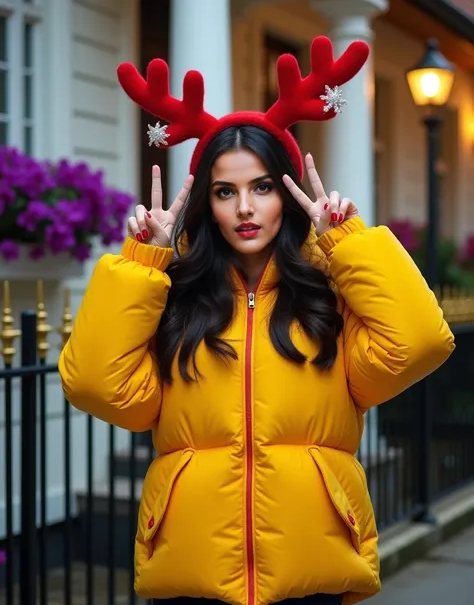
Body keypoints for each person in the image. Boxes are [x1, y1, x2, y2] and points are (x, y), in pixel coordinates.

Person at [58, 37, 455, 605]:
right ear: (207, 204)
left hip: (310, 575)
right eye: (226, 191)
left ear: (286, 196)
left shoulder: (329, 299)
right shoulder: (173, 301)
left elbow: (420, 343)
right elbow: (97, 386)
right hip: (193, 577)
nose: (245, 208)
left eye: (262, 187)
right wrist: (142, 261)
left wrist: (348, 243)